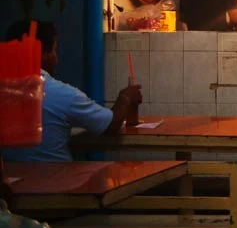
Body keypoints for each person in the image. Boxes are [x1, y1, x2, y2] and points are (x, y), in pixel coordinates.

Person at [2, 21, 141, 162]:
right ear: (43, 54)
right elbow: (110, 126)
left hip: (11, 181)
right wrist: (125, 97)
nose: (56, 59)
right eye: (54, 51)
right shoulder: (62, 94)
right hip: (56, 179)